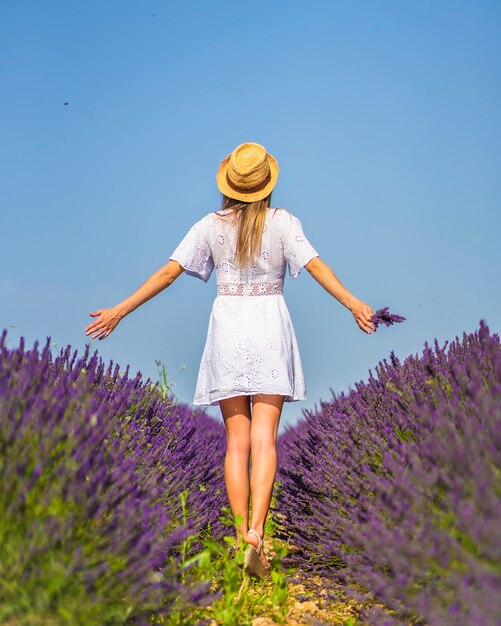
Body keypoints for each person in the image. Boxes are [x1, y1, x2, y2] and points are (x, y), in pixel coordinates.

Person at [84, 142, 376, 579]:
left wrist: (119, 310)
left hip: (227, 329)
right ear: (267, 185)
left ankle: (241, 538)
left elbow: (169, 272)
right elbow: (315, 266)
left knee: (235, 444)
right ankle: (259, 531)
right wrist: (354, 303)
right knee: (264, 441)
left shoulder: (209, 226)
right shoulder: (283, 223)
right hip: (269, 328)